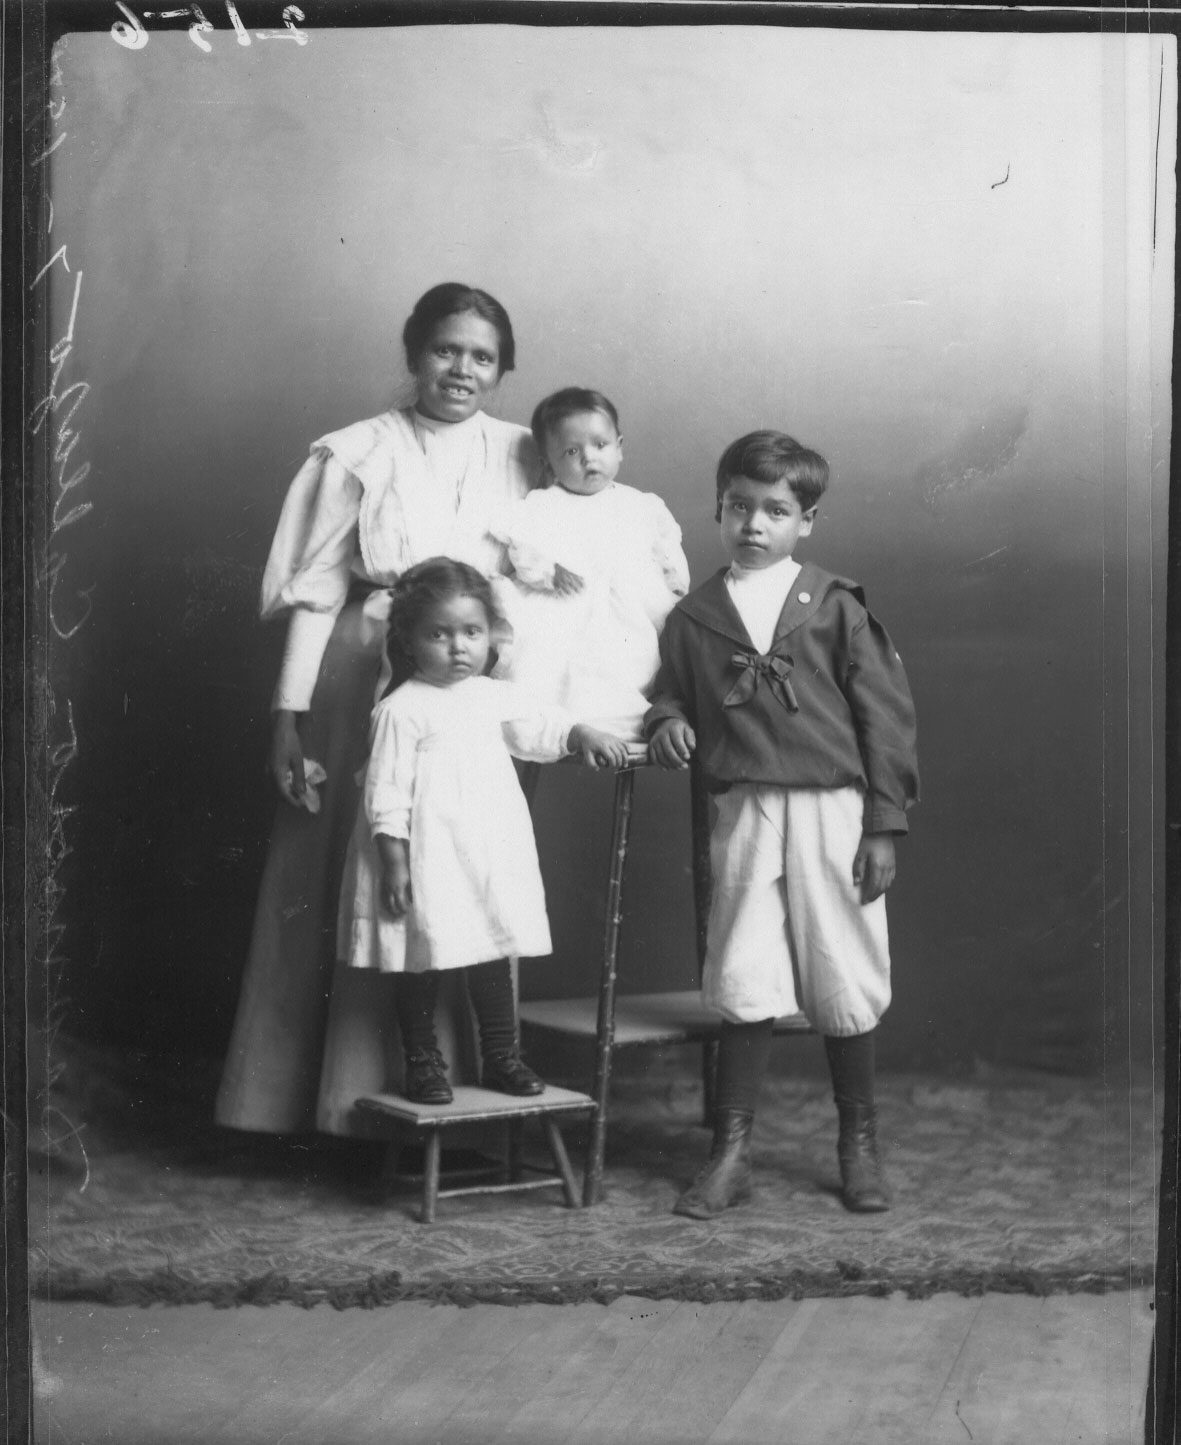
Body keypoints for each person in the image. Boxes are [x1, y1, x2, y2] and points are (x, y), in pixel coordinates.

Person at [216, 283, 540, 1137]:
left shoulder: (529, 453)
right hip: (366, 676)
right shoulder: (357, 451)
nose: (460, 368)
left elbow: (574, 572)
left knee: (467, 873)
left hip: (475, 683)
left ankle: (470, 1100)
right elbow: (317, 592)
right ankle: (316, 1103)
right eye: (444, 349)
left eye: (480, 355)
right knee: (359, 868)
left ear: (502, 367)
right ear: (412, 353)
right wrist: (287, 715)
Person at [645, 430, 919, 1217]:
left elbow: (885, 720)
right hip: (742, 808)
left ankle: (857, 1145)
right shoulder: (695, 616)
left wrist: (881, 824)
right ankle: (729, 1153)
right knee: (741, 965)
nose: (753, 525)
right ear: (718, 509)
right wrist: (666, 718)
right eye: (738, 507)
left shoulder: (835, 604)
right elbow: (671, 689)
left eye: (774, 510)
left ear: (807, 521)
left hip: (832, 806)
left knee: (843, 963)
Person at [340, 558, 630, 1103]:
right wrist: (394, 864)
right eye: (439, 634)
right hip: (428, 856)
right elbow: (386, 791)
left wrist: (580, 732)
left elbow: (540, 724)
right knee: (419, 958)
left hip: (486, 853)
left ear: (489, 636)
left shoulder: (492, 694)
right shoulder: (400, 711)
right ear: (406, 640)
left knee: (493, 951)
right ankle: (423, 1061)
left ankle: (502, 1056)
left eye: (471, 633)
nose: (458, 648)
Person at [491, 388, 689, 740]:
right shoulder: (544, 504)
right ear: (548, 461)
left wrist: (675, 585)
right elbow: (524, 548)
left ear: (620, 447)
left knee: (627, 665)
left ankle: (625, 719)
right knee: (553, 668)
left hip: (628, 607)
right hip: (564, 604)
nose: (589, 459)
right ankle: (563, 729)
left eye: (601, 445)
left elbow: (667, 550)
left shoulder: (642, 505)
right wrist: (549, 571)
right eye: (571, 451)